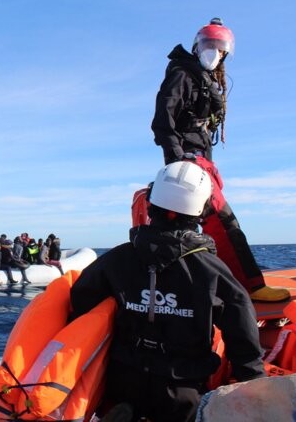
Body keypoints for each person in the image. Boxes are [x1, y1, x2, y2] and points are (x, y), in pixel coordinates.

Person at [70, 162, 266, 422]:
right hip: (183, 386)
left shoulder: (115, 260)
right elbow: (241, 325)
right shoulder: (212, 270)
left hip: (122, 379)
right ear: (201, 211)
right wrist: (252, 379)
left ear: (151, 203)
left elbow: (81, 301)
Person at [150, 17, 289, 302]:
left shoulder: (205, 79)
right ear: (197, 46)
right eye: (208, 45)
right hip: (189, 163)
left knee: (185, 224)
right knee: (225, 221)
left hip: (199, 159)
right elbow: (163, 121)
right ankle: (252, 285)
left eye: (219, 47)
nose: (214, 51)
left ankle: (177, 283)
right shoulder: (182, 75)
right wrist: (179, 164)